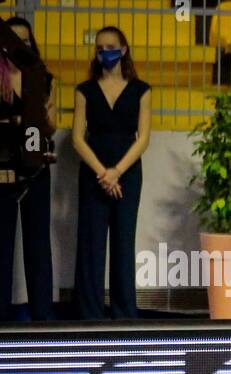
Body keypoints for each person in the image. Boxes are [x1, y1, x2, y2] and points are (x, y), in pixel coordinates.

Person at [71, 26, 151, 319]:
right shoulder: (84, 90)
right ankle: (89, 313)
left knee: (123, 243)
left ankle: (124, 312)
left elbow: (143, 138)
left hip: (127, 172)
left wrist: (116, 171)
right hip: (94, 172)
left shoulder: (142, 90)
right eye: (100, 48)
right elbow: (78, 138)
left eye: (111, 46)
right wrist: (103, 173)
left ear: (124, 49)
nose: (106, 52)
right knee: (91, 244)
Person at [0, 16, 56, 322]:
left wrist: (37, 114)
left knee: (38, 245)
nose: (19, 46)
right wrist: (20, 125)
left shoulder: (43, 78)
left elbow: (50, 128)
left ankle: (43, 314)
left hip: (35, 167)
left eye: (25, 41)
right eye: (13, 40)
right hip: (1, 168)